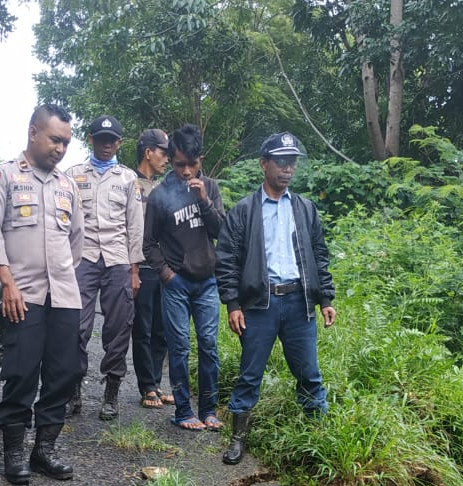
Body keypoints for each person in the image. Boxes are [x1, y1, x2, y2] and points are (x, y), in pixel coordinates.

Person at [215, 132, 336, 465]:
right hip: (259, 305)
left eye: (292, 162)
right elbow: (227, 259)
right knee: (250, 374)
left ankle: (318, 437)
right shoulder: (243, 211)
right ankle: (238, 438)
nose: (287, 169)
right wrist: (233, 304)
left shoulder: (305, 209)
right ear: (263, 164)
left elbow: (319, 255)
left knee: (309, 373)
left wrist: (325, 298)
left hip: (299, 304)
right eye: (281, 162)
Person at [0, 104, 84, 484]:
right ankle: (14, 453)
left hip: (64, 296)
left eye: (66, 143)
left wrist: (61, 275)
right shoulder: (3, 176)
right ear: (33, 132)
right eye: (55, 139)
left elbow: (76, 242)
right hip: (21, 295)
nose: (60, 148)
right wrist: (8, 282)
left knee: (62, 374)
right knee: (22, 374)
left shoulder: (68, 185)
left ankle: (44, 451)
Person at [142, 124, 225, 431]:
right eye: (179, 165)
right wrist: (167, 275)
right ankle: (182, 411)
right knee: (179, 347)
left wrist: (204, 200)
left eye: (192, 164)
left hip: (207, 282)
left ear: (200, 159)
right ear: (171, 159)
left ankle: (209, 409)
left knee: (208, 344)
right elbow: (148, 244)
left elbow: (222, 233)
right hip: (176, 284)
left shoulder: (211, 187)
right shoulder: (160, 196)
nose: (187, 171)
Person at [70, 115, 144, 421]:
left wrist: (135, 269)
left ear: (119, 143)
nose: (106, 145)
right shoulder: (72, 175)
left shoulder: (128, 179)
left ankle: (111, 393)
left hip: (117, 260)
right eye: (101, 139)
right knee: (76, 327)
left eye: (111, 140)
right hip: (83, 259)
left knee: (118, 329)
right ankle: (72, 393)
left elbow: (135, 225)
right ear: (91, 139)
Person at [131, 128, 172, 409]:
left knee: (162, 329)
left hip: (163, 268)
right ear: (148, 152)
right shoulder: (127, 183)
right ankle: (146, 385)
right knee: (142, 329)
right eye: (163, 152)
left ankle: (156, 383)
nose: (167, 159)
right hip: (140, 267)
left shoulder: (163, 188)